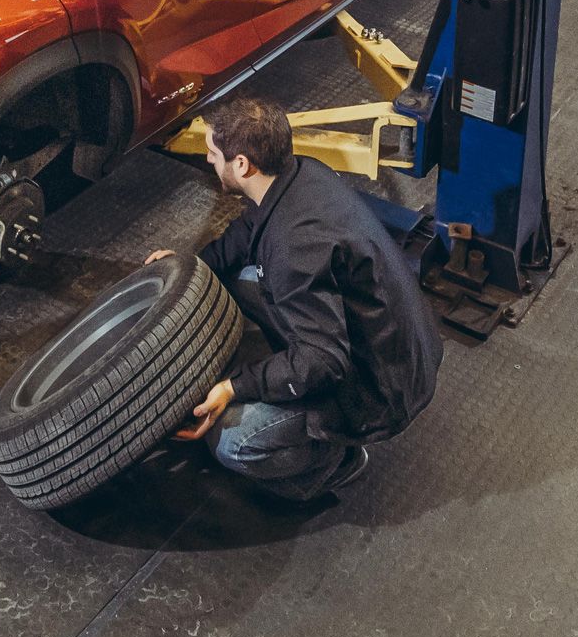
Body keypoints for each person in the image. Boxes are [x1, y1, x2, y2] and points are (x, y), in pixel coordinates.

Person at [148, 97, 444, 502]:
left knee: (231, 440)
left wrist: (235, 387)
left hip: (380, 389)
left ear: (241, 165)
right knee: (243, 275)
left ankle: (334, 462)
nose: (207, 158)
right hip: (395, 340)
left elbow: (324, 360)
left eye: (214, 154)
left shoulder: (292, 249)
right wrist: (192, 265)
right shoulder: (299, 173)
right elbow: (247, 229)